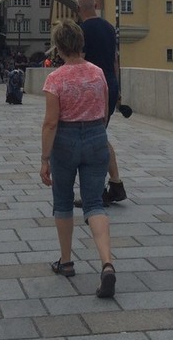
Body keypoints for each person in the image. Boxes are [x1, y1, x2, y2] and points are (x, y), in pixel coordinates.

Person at [40, 19, 116, 298]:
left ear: (58, 48)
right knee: (95, 203)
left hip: (65, 141)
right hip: (96, 136)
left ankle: (66, 261)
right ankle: (107, 263)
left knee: (62, 202)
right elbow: (105, 111)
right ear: (81, 44)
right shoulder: (97, 73)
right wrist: (96, 134)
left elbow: (50, 123)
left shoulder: (55, 78)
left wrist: (44, 158)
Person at [77, 0, 126, 204]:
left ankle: (101, 191)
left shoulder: (81, 31)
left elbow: (80, 61)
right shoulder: (108, 27)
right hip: (110, 84)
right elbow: (115, 60)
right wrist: (118, 89)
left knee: (94, 138)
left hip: (93, 87)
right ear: (96, 5)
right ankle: (115, 185)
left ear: (79, 9)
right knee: (99, 135)